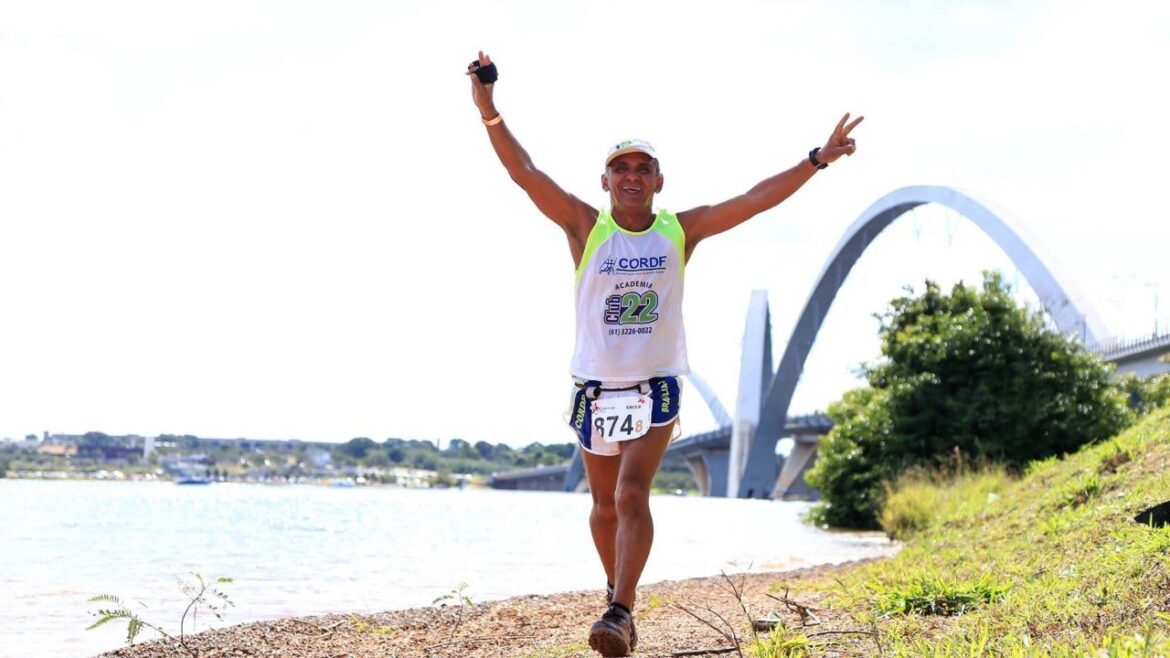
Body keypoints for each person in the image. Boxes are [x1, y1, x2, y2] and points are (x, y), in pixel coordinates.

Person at [466, 50, 862, 657]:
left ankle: (621, 612)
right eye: (619, 168)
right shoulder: (584, 227)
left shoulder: (680, 229)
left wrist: (817, 159)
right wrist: (489, 108)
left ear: (658, 181)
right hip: (595, 388)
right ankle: (616, 593)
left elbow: (756, 198)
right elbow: (525, 172)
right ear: (605, 182)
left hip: (655, 385)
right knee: (603, 507)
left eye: (642, 168)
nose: (631, 176)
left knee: (631, 493)